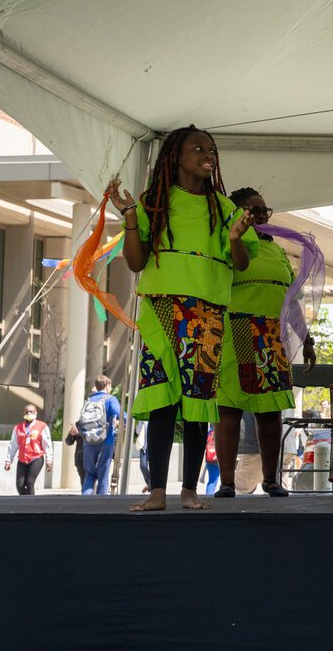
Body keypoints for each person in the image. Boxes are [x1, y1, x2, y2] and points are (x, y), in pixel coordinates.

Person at [108, 125, 254, 512]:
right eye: (198, 148)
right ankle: (158, 491)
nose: (208, 154)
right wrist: (130, 218)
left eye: (211, 149)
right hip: (160, 310)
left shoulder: (225, 209)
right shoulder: (153, 203)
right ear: (175, 157)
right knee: (162, 398)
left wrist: (237, 239)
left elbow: (240, 264)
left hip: (205, 313)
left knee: (197, 399)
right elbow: (136, 262)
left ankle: (189, 489)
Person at [214, 187, 318, 498]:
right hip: (237, 329)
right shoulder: (225, 243)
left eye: (264, 210)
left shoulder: (277, 252)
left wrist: (307, 339)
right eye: (253, 209)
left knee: (270, 411)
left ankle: (271, 481)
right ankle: (227, 483)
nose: (261, 215)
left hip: (271, 335)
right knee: (230, 409)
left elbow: (291, 302)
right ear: (236, 213)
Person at [76, 375, 121, 495]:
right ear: (107, 385)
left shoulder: (89, 400)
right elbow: (120, 414)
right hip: (106, 440)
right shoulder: (110, 399)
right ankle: (101, 504)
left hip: (88, 441)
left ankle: (85, 500)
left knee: (89, 475)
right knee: (103, 474)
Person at [4, 404, 52, 495]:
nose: (29, 413)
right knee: (20, 485)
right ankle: (25, 501)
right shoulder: (18, 428)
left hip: (36, 458)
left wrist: (49, 460)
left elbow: (47, 444)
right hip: (22, 459)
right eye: (27, 412)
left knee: (30, 483)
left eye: (31, 411)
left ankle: (31, 503)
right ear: (23, 413)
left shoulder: (42, 426)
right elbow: (13, 445)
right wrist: (8, 460)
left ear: (36, 413)